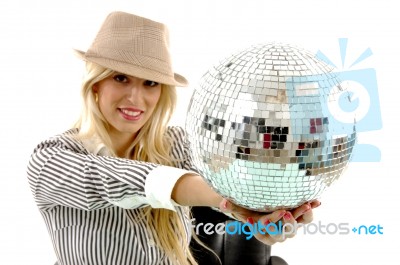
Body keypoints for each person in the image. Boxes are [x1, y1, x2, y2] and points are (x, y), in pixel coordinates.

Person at [26, 11, 319, 265]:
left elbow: (230, 186)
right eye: (120, 78)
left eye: (150, 83)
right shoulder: (51, 159)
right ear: (96, 83)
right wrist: (227, 200)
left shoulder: (177, 143)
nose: (135, 97)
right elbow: (118, 179)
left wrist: (266, 216)